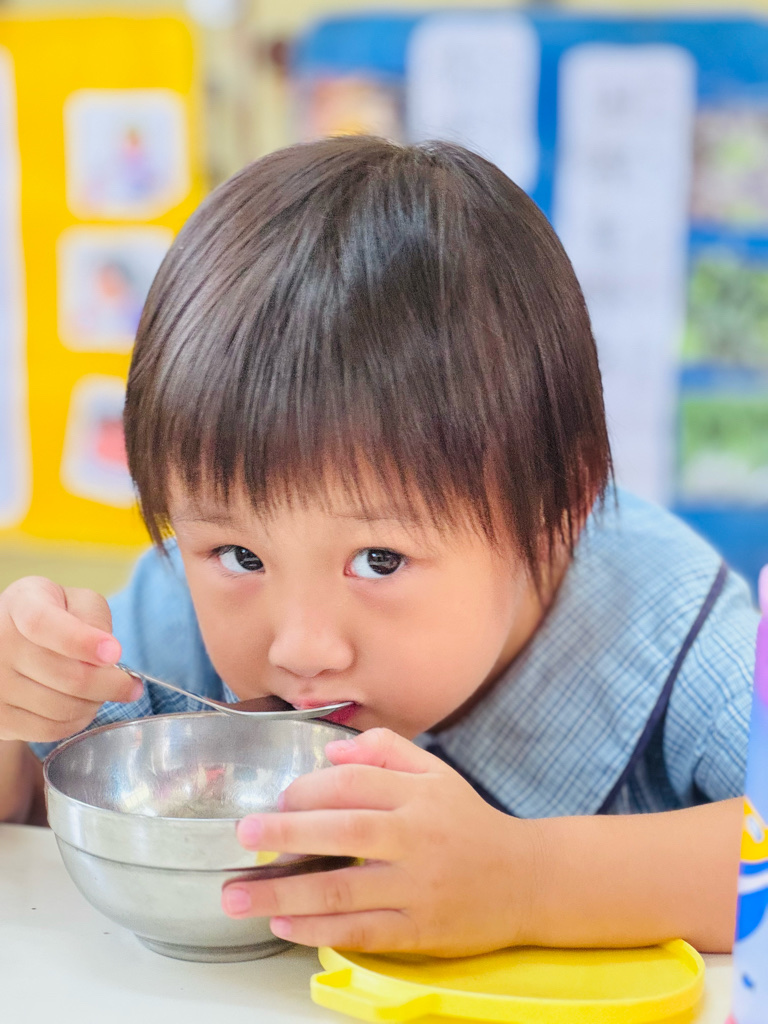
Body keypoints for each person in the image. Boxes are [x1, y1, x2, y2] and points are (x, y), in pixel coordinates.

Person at [0, 137, 758, 956]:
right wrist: (20, 704)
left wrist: (528, 879)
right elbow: (31, 811)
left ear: (555, 509)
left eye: (380, 561)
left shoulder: (677, 634)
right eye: (243, 558)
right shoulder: (175, 608)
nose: (300, 649)